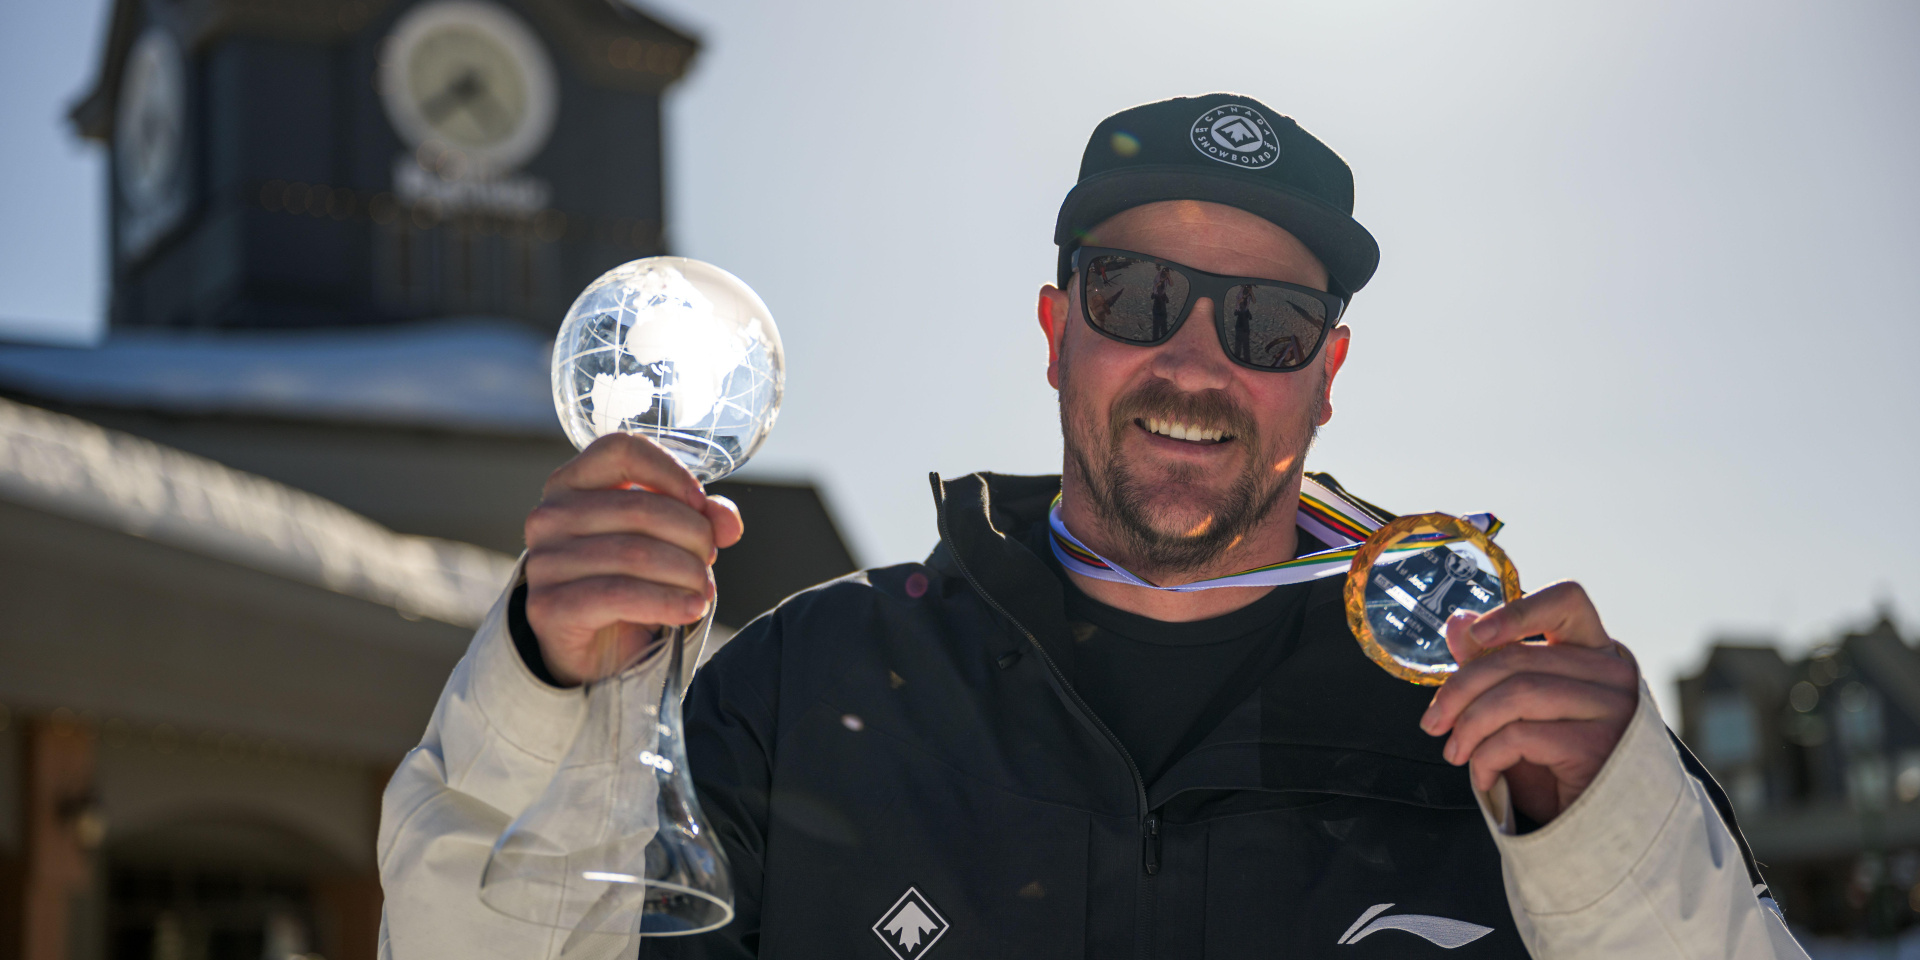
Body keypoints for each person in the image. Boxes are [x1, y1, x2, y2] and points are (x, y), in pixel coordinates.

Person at [378, 94, 1808, 959]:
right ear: (1059, 331)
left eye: (1267, 320)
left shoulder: (1506, 740)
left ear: (1325, 375)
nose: (1194, 361)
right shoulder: (807, 694)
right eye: (1135, 296)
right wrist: (548, 697)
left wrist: (1607, 836)